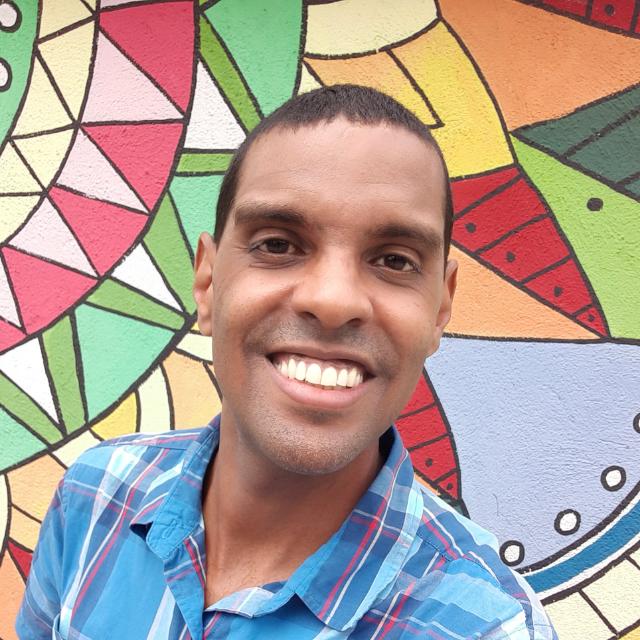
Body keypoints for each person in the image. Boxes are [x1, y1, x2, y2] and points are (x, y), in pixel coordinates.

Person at [16, 85, 557, 639]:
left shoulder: (487, 626)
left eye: (395, 260)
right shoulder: (95, 496)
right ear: (208, 283)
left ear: (440, 307)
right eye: (277, 245)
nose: (333, 300)